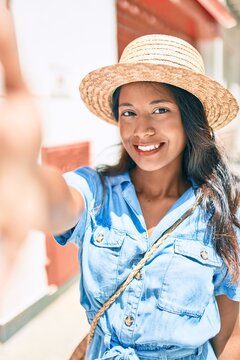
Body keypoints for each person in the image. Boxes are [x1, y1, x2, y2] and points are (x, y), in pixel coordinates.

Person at [1, 31, 240, 359]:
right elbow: (59, 203)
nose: (141, 129)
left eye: (159, 110)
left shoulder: (224, 208)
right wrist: (24, 173)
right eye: (128, 112)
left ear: (189, 117)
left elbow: (230, 336)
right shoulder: (97, 192)